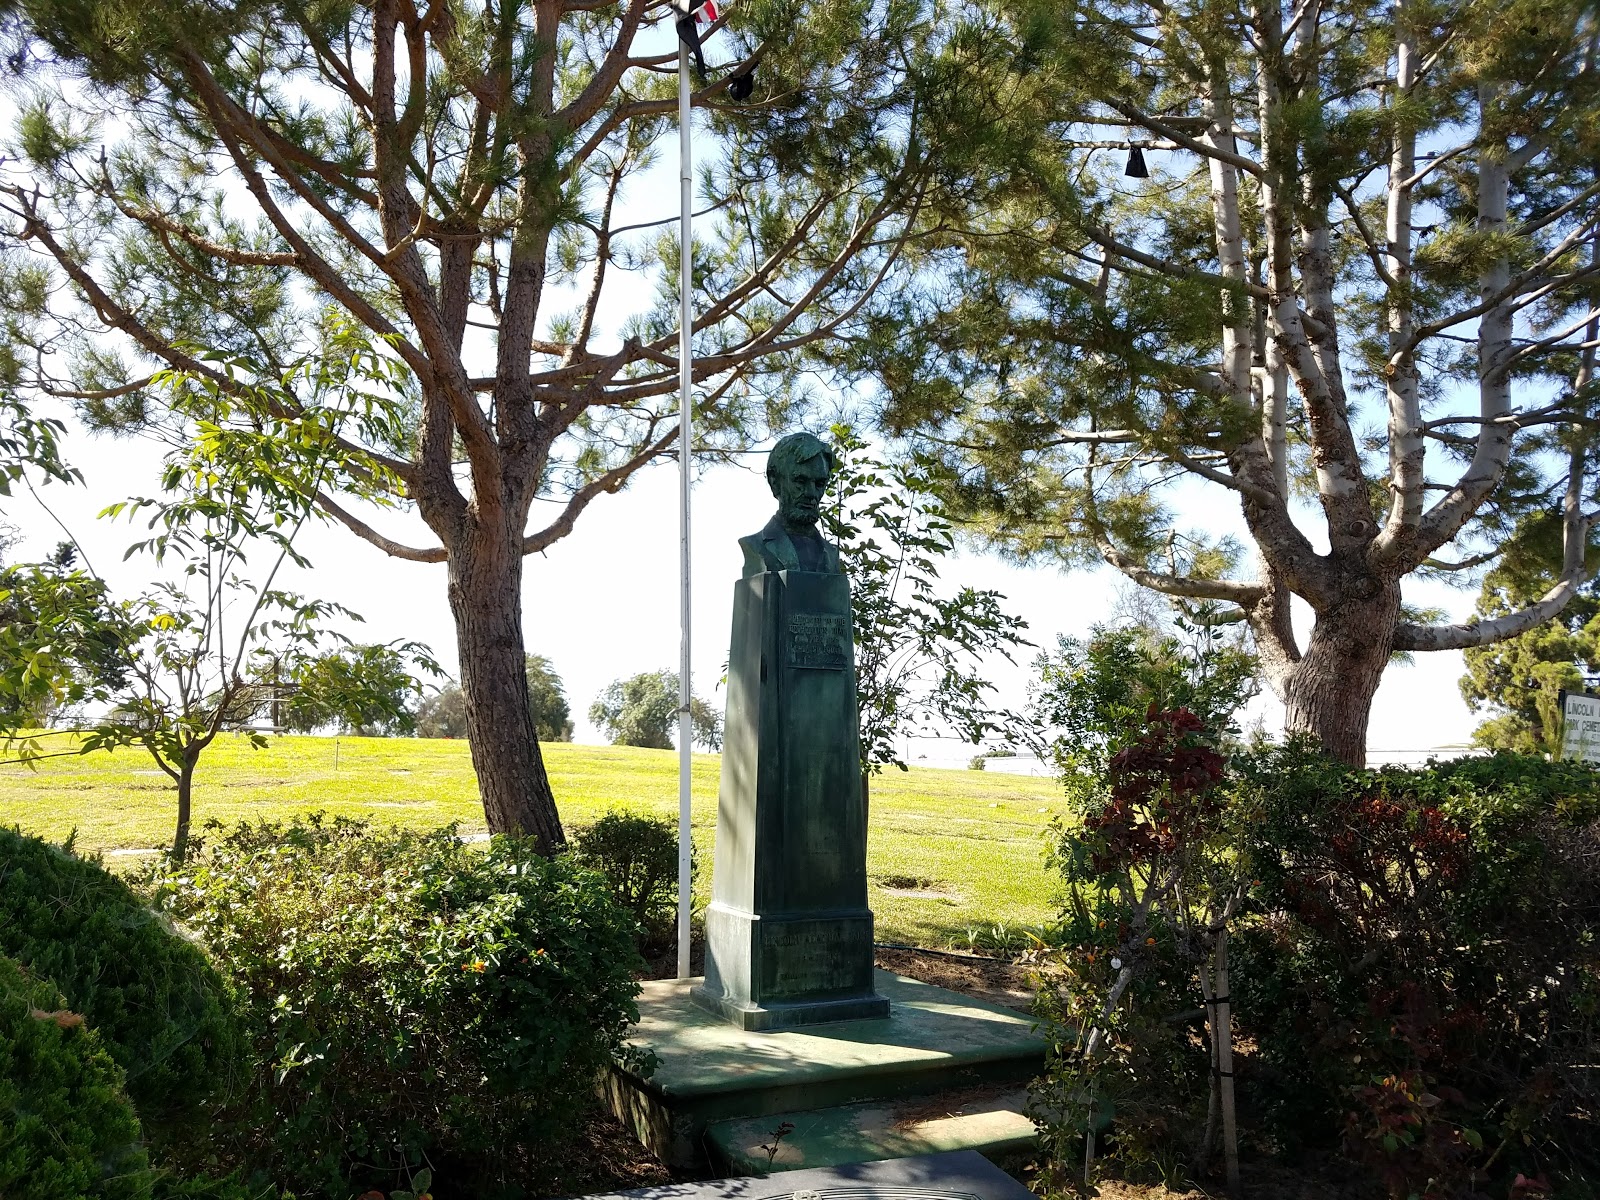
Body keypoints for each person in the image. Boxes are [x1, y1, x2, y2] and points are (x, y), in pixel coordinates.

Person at [740, 432, 843, 576]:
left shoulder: (831, 554)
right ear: (774, 481)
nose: (811, 493)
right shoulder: (754, 546)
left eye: (819, 484)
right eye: (800, 482)